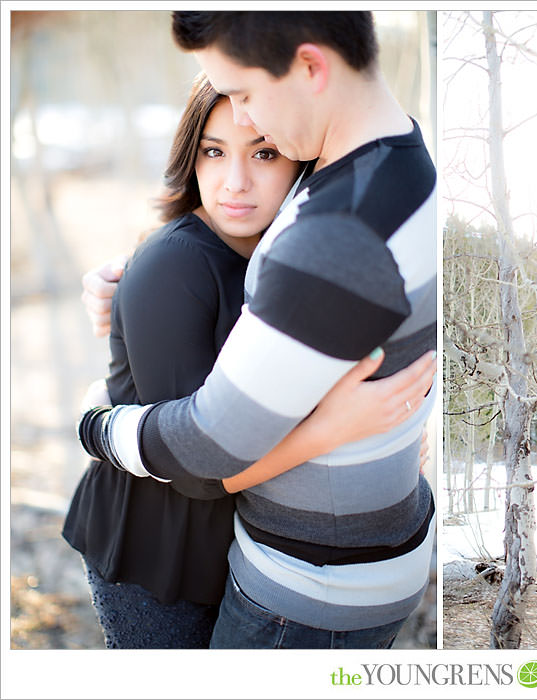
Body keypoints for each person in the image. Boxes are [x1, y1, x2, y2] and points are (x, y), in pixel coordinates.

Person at [77, 11, 437, 649]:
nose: (236, 178)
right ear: (192, 158)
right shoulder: (182, 261)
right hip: (162, 544)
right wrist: (95, 421)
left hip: (229, 537)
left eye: (262, 150)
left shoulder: (302, 236)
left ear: (309, 69)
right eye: (213, 151)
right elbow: (199, 462)